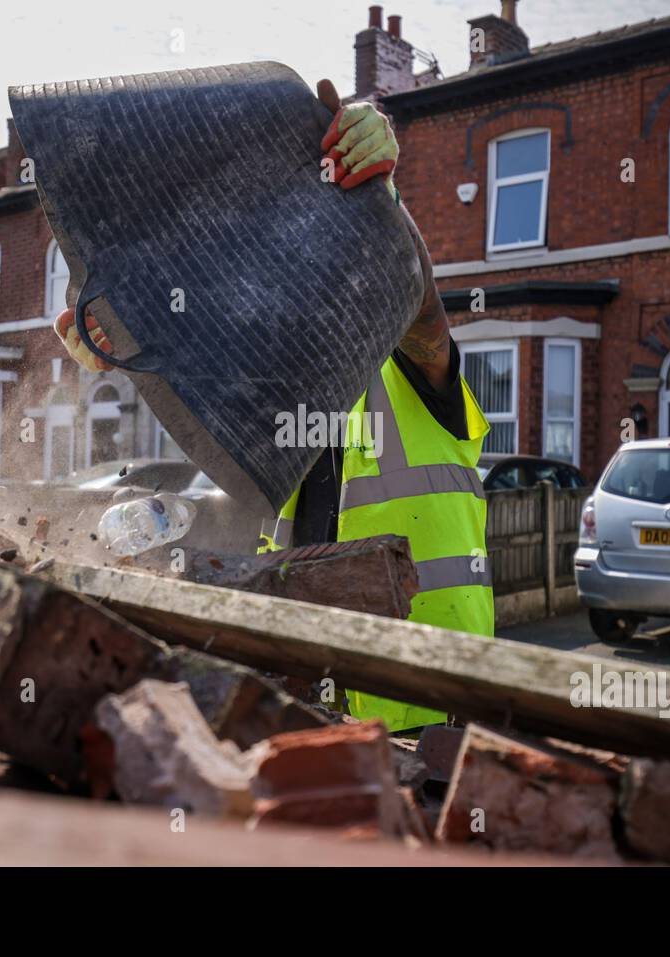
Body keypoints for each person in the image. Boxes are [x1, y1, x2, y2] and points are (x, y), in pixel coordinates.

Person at [54, 79, 493, 734]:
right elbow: (249, 527)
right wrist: (122, 339)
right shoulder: (274, 400)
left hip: (435, 718)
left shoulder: (414, 372)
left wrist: (384, 204)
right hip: (311, 717)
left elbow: (417, 304)